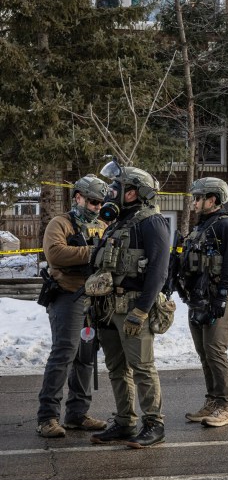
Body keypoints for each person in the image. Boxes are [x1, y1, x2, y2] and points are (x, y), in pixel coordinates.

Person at [87, 165, 170, 448]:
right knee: (116, 367)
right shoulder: (119, 222)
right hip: (108, 307)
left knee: (143, 367)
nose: (110, 193)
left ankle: (154, 424)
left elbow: (159, 272)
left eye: (116, 188)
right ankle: (125, 422)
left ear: (134, 192)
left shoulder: (152, 222)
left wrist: (142, 310)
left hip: (134, 306)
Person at [35, 175, 109, 438]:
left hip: (93, 299)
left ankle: (78, 413)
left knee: (85, 358)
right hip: (67, 295)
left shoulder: (102, 224)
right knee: (64, 354)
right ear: (78, 197)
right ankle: (47, 417)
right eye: (92, 201)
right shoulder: (61, 223)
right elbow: (54, 253)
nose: (96, 207)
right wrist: (93, 252)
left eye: (100, 202)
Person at [178, 178, 228, 428]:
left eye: (198, 198)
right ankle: (212, 400)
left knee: (216, 351)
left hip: (219, 296)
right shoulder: (201, 226)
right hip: (198, 297)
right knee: (204, 352)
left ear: (213, 199)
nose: (194, 202)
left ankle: (225, 406)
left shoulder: (227, 225)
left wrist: (222, 294)